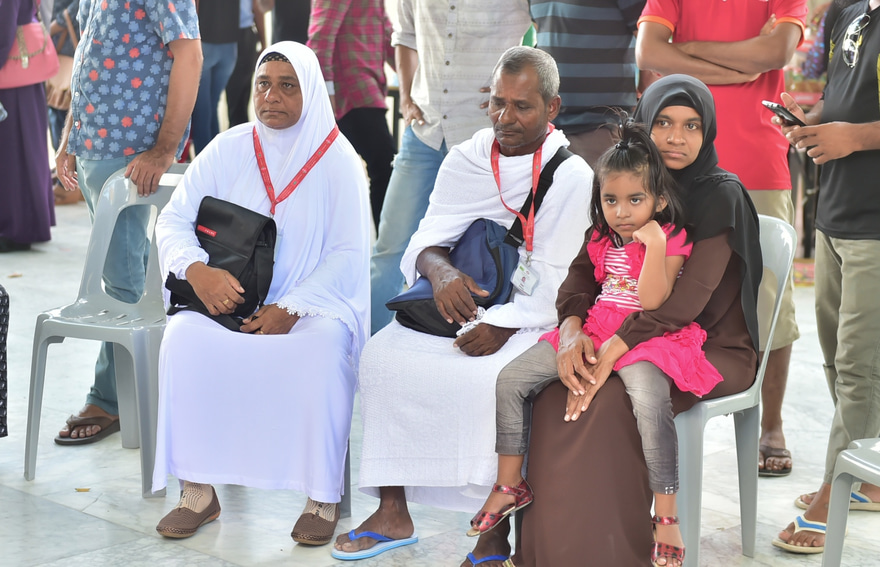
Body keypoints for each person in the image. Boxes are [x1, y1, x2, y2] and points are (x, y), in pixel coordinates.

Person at [333, 46, 592, 566]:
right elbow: (428, 239)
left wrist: (502, 325)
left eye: (522, 106)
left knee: (489, 380)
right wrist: (441, 272)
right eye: (497, 102)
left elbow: (560, 278)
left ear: (552, 108)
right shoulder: (467, 158)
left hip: (529, 316)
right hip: (458, 302)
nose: (505, 117)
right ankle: (392, 510)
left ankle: (492, 534)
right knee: (383, 357)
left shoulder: (572, 175)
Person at [507, 74, 762, 566]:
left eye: (692, 126)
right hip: (630, 337)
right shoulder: (627, 184)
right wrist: (571, 332)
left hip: (708, 346)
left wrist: (613, 350)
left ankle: (621, 554)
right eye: (663, 122)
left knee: (610, 402)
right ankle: (546, 555)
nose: (675, 137)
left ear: (708, 131)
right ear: (645, 126)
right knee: (555, 393)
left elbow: (687, 303)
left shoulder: (719, 194)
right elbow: (582, 274)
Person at [151, 41, 371, 545]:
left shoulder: (337, 159)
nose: (271, 97)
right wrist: (197, 272)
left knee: (323, 353)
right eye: (263, 85)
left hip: (311, 307)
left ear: (310, 92)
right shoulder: (229, 147)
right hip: (226, 296)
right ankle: (197, 492)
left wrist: (291, 307)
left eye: (287, 86)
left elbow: (348, 253)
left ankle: (321, 496)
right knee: (184, 340)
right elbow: (174, 219)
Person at [473, 121, 716, 566]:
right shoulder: (602, 237)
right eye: (610, 200)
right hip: (598, 327)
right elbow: (581, 287)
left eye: (635, 200)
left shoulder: (672, 237)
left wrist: (654, 246)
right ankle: (509, 485)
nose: (622, 212)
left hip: (648, 336)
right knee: (511, 380)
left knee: (649, 400)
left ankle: (665, 513)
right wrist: (577, 332)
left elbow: (653, 302)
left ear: (660, 201)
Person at [636, 0, 807, 478]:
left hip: (757, 160)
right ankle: (658, 400)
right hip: (674, 162)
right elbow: (649, 51)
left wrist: (687, 51)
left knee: (769, 298)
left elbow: (777, 52)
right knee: (653, 277)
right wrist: (740, 64)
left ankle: (770, 425)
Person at [53, 0, 201, 444]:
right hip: (96, 149)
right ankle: (143, 393)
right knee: (125, 280)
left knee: (123, 284)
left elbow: (189, 54)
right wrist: (70, 137)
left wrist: (164, 148)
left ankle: (115, 400)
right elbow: (90, 52)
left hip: (132, 156)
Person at [771, 0, 880, 554]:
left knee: (860, 366)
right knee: (838, 357)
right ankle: (866, 475)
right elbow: (845, 97)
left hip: (876, 224)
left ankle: (835, 492)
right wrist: (812, 123)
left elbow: (858, 126)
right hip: (835, 210)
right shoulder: (850, 10)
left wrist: (854, 138)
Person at [369, 0, 532, 334]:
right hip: (424, 132)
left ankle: (472, 338)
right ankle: (364, 348)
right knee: (389, 247)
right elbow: (406, 36)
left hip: (484, 134)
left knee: (488, 250)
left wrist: (516, 91)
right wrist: (405, 98)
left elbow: (548, 26)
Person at [307, 0, 396, 230]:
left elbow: (387, 33)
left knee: (367, 171)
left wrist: (415, 79)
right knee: (384, 168)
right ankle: (385, 246)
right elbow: (320, 37)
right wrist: (326, 93)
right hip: (350, 90)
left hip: (366, 85)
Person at [530, 0, 648, 167]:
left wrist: (644, 97)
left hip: (600, 126)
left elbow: (649, 44)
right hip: (546, 128)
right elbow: (546, 36)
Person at [0, 0, 55, 253]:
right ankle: (25, 224)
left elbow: (4, 26)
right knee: (24, 150)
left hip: (10, 72)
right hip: (18, 70)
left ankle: (17, 228)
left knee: (15, 154)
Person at [191, 0, 239, 154]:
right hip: (230, 46)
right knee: (212, 105)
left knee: (203, 110)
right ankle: (216, 157)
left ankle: (205, 161)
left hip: (204, 42)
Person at [225, 0, 265, 128]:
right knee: (241, 94)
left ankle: (239, 130)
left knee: (238, 94)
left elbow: (256, 7)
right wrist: (264, 43)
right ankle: (239, 130)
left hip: (238, 35)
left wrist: (263, 44)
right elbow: (256, 8)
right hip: (240, 35)